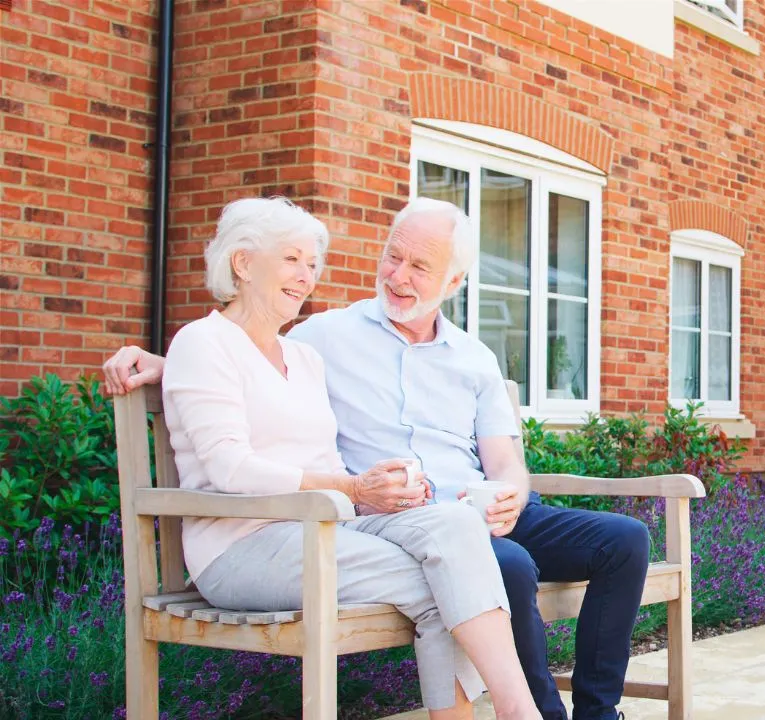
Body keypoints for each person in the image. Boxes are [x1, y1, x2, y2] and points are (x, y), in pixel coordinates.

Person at [104, 197, 651, 720]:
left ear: (453, 283)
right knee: (470, 571)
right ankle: (527, 711)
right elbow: (229, 370)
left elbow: (504, 460)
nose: (398, 276)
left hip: (420, 517)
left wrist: (513, 493)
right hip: (303, 531)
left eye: (311, 263)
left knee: (602, 540)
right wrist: (168, 362)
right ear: (243, 262)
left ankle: (561, 711)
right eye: (393, 257)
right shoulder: (320, 336)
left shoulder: (320, 355)